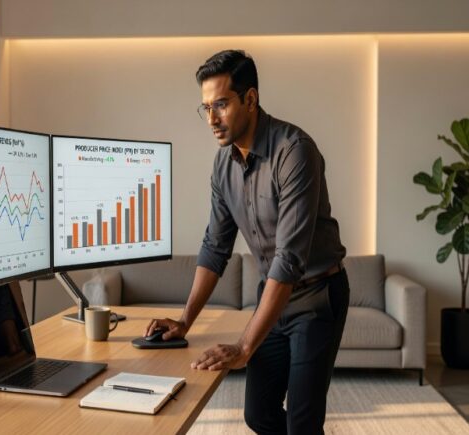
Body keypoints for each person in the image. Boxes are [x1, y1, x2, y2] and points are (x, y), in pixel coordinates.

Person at [144, 49, 350, 434]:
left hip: (317, 297)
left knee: (302, 423)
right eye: (206, 108)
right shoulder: (223, 165)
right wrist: (185, 321)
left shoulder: (295, 151)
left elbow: (289, 259)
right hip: (271, 296)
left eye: (221, 105)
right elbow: (215, 248)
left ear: (250, 99)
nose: (211, 119)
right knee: (258, 414)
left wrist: (243, 347)